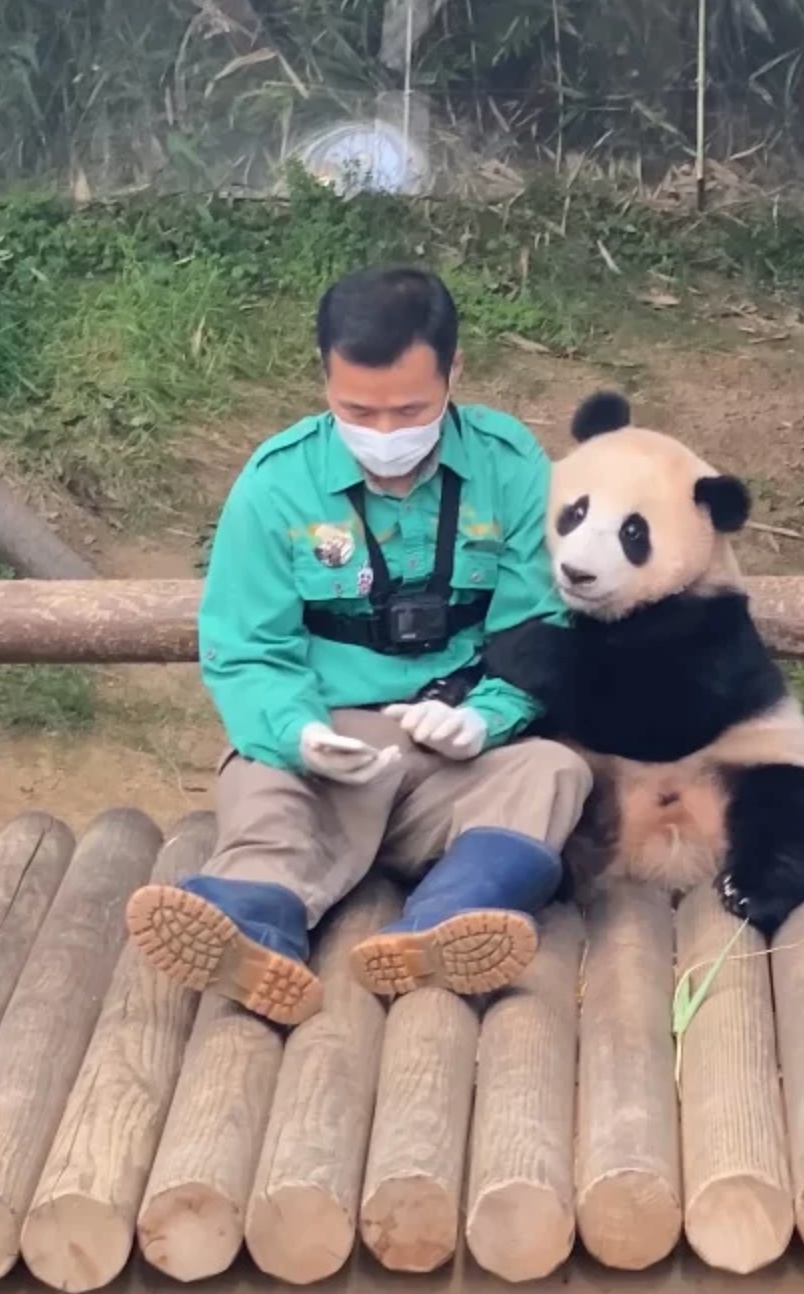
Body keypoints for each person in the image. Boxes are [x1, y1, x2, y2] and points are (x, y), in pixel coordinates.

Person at [125, 265, 592, 1027]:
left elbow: (539, 622)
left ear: (455, 373)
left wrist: (488, 716)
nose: (384, 434)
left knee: (553, 770)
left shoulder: (510, 466)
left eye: (409, 408)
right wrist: (298, 732)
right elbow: (245, 648)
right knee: (266, 791)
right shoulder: (276, 482)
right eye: (357, 410)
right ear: (325, 382)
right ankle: (251, 925)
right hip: (328, 745)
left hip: (455, 752)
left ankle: (444, 923)